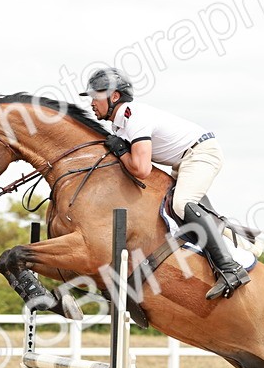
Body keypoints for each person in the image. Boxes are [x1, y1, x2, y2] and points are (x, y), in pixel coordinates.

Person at [80, 67, 250, 299]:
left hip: (200, 154)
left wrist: (121, 152)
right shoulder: (119, 123)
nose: (91, 103)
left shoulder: (133, 117)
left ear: (115, 96)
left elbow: (141, 169)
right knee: (174, 208)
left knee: (181, 204)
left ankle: (231, 269)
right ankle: (228, 238)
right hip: (184, 160)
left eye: (96, 97)